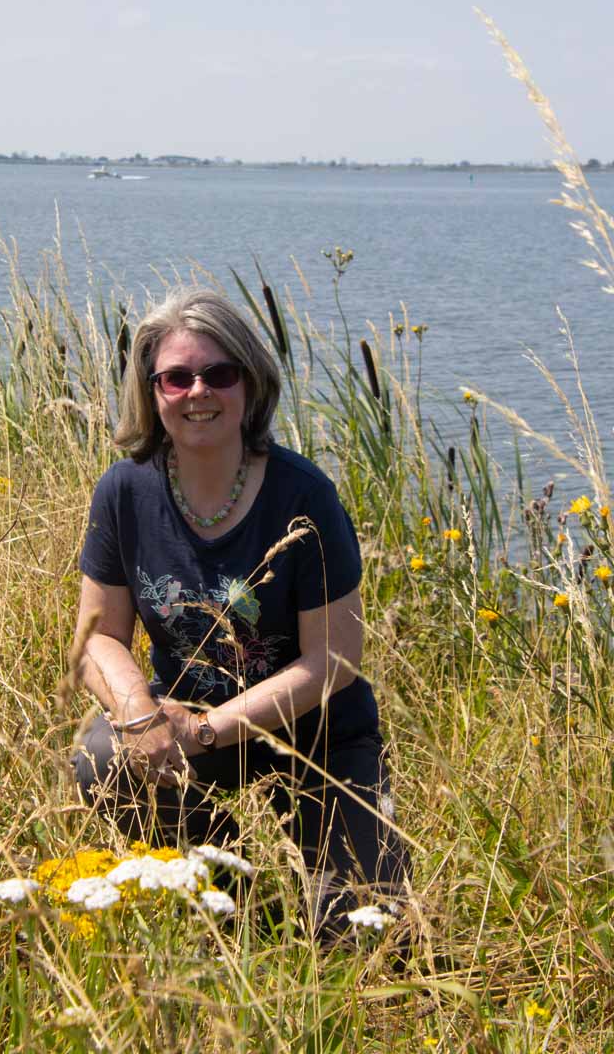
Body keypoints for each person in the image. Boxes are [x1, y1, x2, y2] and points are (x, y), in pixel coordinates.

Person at [70, 287, 408, 938]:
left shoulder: (304, 496)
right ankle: (230, 896)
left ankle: (326, 892)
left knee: (363, 937)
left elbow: (334, 659)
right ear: (152, 392)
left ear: (250, 384)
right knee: (102, 758)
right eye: (176, 377)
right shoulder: (124, 491)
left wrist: (206, 730)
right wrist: (140, 717)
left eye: (219, 373)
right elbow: (97, 638)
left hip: (318, 740)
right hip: (184, 728)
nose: (198, 392)